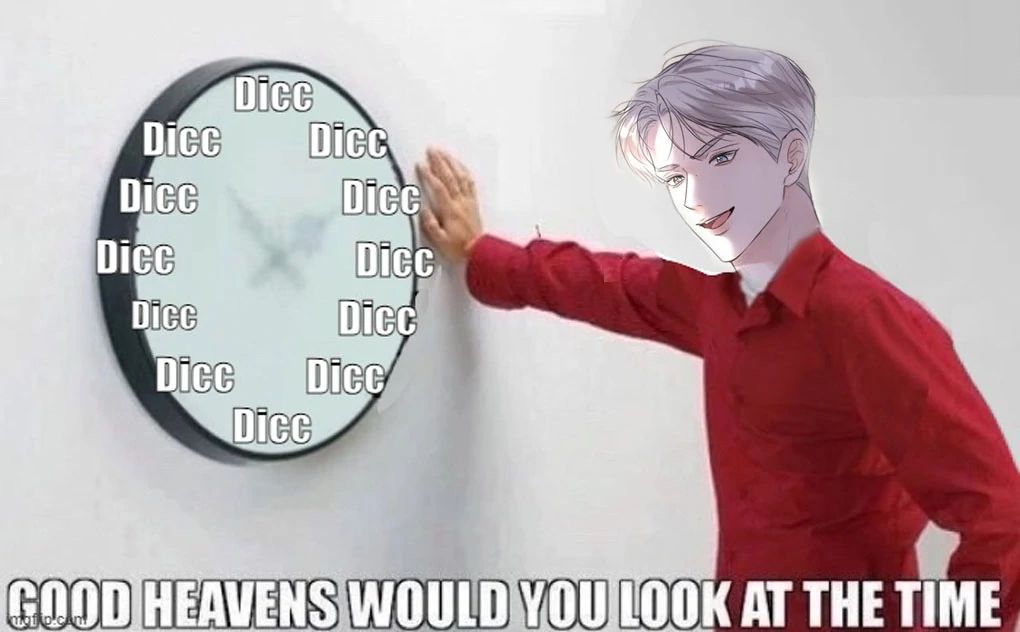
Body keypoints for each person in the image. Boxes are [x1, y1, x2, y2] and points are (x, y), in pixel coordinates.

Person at [414, 44, 1020, 631]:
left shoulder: (865, 318)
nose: (699, 197)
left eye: (723, 159)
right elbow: (608, 285)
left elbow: (1002, 519)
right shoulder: (717, 300)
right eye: (678, 176)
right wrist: (479, 253)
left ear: (789, 157)